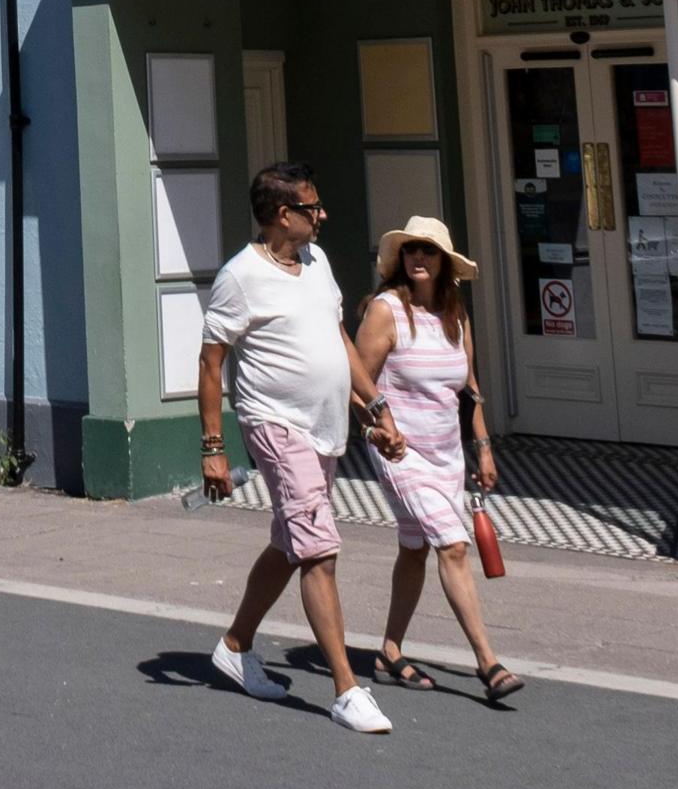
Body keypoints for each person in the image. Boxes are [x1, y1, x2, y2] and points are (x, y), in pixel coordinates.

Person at [196, 162, 402, 735]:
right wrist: (213, 447)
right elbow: (212, 365)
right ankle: (346, 689)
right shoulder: (240, 277)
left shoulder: (316, 261)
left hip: (325, 426)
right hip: (275, 424)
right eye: (312, 208)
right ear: (283, 215)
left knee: (292, 542)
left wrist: (376, 409)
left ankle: (235, 646)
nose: (323, 215)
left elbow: (337, 340)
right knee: (319, 550)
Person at [352, 217, 523, 704]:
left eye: (428, 251)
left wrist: (483, 447)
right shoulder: (386, 312)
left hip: (447, 452)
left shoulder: (455, 314)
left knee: (414, 548)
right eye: (411, 251)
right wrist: (376, 428)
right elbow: (355, 382)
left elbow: (469, 391)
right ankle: (488, 662)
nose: (418, 259)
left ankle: (389, 650)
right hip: (399, 450)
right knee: (452, 545)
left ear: (444, 261)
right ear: (400, 260)